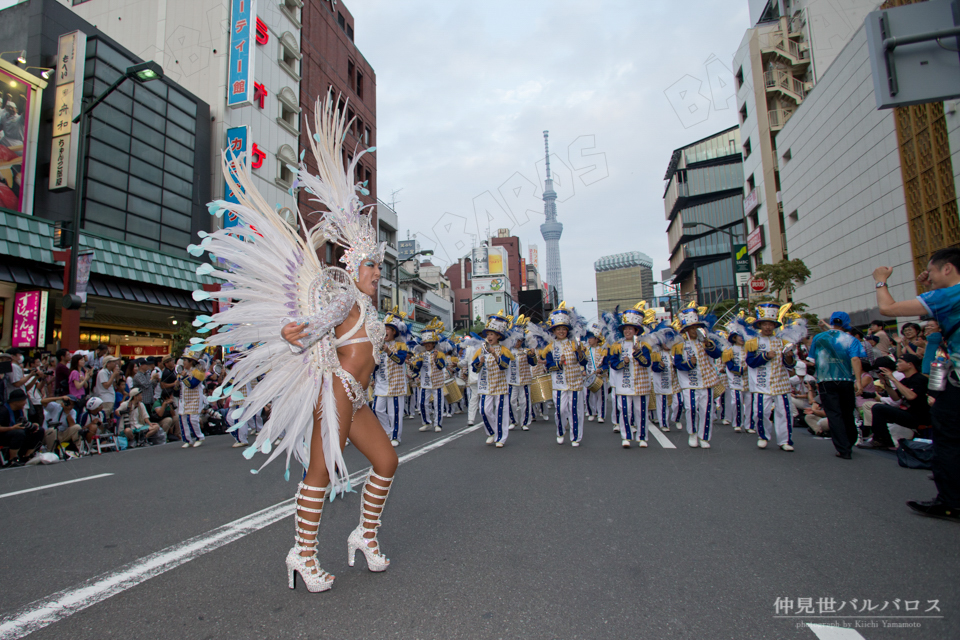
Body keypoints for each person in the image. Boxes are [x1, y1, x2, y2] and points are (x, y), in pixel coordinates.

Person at [187, 93, 400, 591]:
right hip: (336, 392)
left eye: (378, 266)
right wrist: (294, 334)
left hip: (358, 395)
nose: (376, 273)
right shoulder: (344, 295)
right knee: (321, 473)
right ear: (352, 267)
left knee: (386, 461)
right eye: (370, 265)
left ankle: (364, 537)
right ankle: (302, 554)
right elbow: (318, 323)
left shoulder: (369, 307)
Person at [873, 251, 960, 522]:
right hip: (948, 375)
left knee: (948, 439)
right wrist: (932, 285)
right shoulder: (948, 296)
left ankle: (951, 502)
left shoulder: (950, 295)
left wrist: (880, 281)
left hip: (956, 381)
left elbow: (888, 308)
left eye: (931, 272)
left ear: (947, 269)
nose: (928, 277)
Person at [745, 303, 803, 452]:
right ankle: (763, 436)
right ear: (760, 325)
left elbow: (790, 365)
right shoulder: (753, 343)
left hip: (780, 382)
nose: (768, 327)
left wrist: (789, 358)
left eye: (770, 324)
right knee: (761, 412)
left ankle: (785, 440)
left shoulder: (783, 343)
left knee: (784, 412)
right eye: (765, 324)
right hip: (760, 383)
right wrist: (765, 356)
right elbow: (750, 362)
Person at [807, 311, 866, 459]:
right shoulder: (851, 339)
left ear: (832, 321)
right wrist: (858, 381)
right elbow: (855, 359)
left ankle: (843, 448)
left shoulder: (819, 338)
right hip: (846, 380)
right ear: (846, 323)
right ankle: (850, 440)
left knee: (834, 414)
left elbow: (812, 359)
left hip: (825, 380)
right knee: (847, 412)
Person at [673, 304, 723, 449]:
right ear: (686, 330)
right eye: (691, 328)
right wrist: (689, 363)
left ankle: (704, 436)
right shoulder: (679, 346)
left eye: (696, 328)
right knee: (690, 408)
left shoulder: (707, 342)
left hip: (706, 382)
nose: (694, 331)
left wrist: (708, 344)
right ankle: (692, 433)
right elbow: (677, 364)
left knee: (706, 410)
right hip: (689, 382)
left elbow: (717, 354)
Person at [607, 303, 653, 449]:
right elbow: (613, 363)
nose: (628, 331)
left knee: (640, 411)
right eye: (625, 328)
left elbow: (647, 363)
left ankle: (642, 437)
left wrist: (638, 353)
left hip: (641, 383)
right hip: (623, 383)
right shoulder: (616, 346)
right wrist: (623, 362)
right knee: (625, 410)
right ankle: (626, 436)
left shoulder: (644, 345)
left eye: (630, 328)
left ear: (636, 330)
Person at [541, 303, 588, 447]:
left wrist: (580, 353)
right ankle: (560, 431)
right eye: (558, 329)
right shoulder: (550, 347)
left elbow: (584, 362)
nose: (561, 331)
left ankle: (576, 437)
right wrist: (559, 363)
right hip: (559, 384)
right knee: (561, 410)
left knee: (575, 410)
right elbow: (549, 366)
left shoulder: (575, 344)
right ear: (554, 331)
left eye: (563, 329)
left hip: (575, 383)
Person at [862, 354, 929, 450]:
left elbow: (911, 396)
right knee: (877, 408)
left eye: (900, 362)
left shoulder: (920, 379)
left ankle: (881, 440)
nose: (897, 364)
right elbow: (895, 398)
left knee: (878, 408)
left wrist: (893, 378)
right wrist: (887, 383)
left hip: (919, 417)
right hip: (907, 413)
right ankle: (883, 439)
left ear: (910, 364)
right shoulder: (904, 380)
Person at [472, 314, 514, 447]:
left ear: (498, 336)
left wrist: (495, 354)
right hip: (486, 385)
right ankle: (492, 431)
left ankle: (501, 437)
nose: (489, 337)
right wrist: (479, 362)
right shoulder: (480, 350)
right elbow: (474, 368)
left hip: (500, 384)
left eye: (492, 334)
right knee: (484, 410)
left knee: (501, 411)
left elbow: (504, 366)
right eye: (488, 334)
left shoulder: (504, 350)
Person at [373, 311, 409, 446]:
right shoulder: (378, 347)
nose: (385, 331)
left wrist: (388, 351)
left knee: (395, 413)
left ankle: (395, 436)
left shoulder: (401, 345)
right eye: (383, 329)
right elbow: (376, 366)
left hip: (396, 384)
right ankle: (387, 431)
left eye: (388, 329)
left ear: (394, 331)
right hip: (381, 383)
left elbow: (400, 361)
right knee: (377, 409)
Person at [410, 321, 446, 433]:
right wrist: (411, 365)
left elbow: (441, 366)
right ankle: (426, 422)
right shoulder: (421, 355)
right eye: (425, 343)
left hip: (437, 382)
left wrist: (435, 359)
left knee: (438, 404)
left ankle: (438, 423)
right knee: (422, 403)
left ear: (434, 343)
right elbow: (417, 368)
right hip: (425, 383)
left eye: (429, 343)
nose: (427, 345)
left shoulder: (440, 353)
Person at [721, 319, 752, 433]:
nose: (742, 338)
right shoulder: (729, 351)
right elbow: (730, 366)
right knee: (736, 402)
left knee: (750, 403)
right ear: (734, 337)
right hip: (736, 380)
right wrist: (741, 369)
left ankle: (749, 425)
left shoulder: (750, 349)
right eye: (739, 336)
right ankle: (737, 423)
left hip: (749, 380)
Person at [506, 315, 536, 431]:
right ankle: (513, 421)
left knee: (525, 402)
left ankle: (525, 422)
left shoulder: (526, 351)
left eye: (519, 340)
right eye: (515, 340)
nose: (517, 342)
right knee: (511, 402)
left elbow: (533, 363)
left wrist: (533, 355)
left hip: (524, 380)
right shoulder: (507, 351)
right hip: (512, 381)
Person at [0, 389, 43, 466]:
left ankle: (28, 456)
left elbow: (22, 423)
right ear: (16, 401)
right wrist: (12, 428)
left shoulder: (19, 410)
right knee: (18, 433)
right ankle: (12, 459)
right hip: (4, 435)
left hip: (15, 433)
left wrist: (32, 425)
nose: (25, 403)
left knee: (38, 430)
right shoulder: (3, 411)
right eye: (23, 400)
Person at [176, 351, 207, 448]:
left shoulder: (198, 372)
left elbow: (192, 385)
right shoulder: (183, 372)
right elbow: (179, 387)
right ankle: (187, 439)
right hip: (184, 399)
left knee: (193, 419)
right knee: (183, 419)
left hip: (195, 398)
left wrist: (184, 377)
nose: (183, 362)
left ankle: (199, 437)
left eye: (185, 360)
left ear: (191, 362)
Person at [583, 326, 608, 424]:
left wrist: (601, 370)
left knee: (601, 396)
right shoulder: (586, 350)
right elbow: (582, 362)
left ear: (597, 339)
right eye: (588, 338)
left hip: (599, 376)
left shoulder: (603, 350)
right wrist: (583, 370)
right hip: (589, 376)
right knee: (588, 396)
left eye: (591, 338)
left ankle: (601, 415)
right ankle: (591, 412)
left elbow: (606, 364)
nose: (589, 340)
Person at [92, 355, 121, 421]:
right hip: (105, 398)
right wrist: (114, 374)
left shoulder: (110, 372)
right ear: (108, 364)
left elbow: (113, 384)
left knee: (108, 417)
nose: (115, 363)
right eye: (113, 362)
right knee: (105, 416)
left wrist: (116, 375)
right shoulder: (103, 372)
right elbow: (106, 385)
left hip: (110, 397)